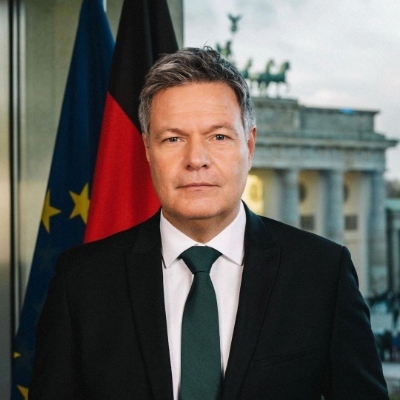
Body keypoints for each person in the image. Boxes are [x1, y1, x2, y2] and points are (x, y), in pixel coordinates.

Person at [30, 47, 389, 399]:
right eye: (173, 138)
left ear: (249, 146)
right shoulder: (81, 281)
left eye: (218, 136)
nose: (196, 159)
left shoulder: (322, 274)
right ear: (148, 150)